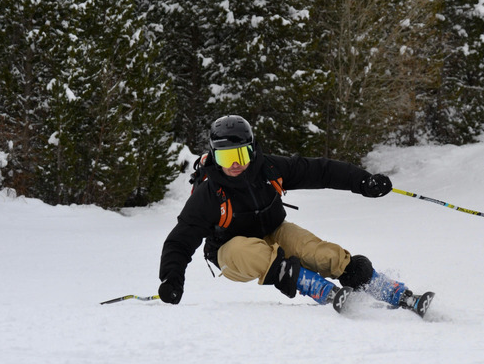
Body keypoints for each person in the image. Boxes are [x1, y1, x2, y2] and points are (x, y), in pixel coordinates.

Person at [158, 115, 432, 315]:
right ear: (214, 156)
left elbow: (320, 170)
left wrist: (363, 182)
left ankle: (398, 295)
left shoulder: (268, 168)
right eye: (226, 158)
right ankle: (320, 290)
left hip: (273, 230)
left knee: (322, 253)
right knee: (250, 251)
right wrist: (172, 279)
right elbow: (180, 240)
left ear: (252, 150)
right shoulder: (209, 194)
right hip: (229, 252)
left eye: (240, 154)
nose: (236, 165)